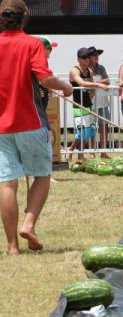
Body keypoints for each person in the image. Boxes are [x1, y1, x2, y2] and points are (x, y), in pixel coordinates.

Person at [0, 0, 73, 255]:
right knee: (41, 175)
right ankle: (28, 225)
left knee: (8, 183)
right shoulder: (31, 43)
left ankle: (12, 247)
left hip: (1, 127)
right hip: (30, 121)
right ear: (25, 17)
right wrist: (64, 86)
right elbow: (44, 77)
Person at [68, 47, 107, 160]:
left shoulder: (89, 71)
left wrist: (93, 91)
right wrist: (98, 85)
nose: (87, 60)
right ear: (78, 59)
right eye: (84, 57)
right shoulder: (74, 70)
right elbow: (80, 83)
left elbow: (91, 83)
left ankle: (71, 150)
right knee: (81, 132)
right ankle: (79, 156)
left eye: (87, 57)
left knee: (88, 131)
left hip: (88, 104)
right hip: (78, 105)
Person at [88, 45, 111, 158]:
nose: (97, 57)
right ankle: (92, 152)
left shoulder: (101, 68)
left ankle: (103, 152)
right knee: (91, 127)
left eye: (97, 55)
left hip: (103, 103)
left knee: (104, 127)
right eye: (94, 55)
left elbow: (108, 81)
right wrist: (99, 84)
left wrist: (97, 82)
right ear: (89, 57)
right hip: (90, 103)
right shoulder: (85, 68)